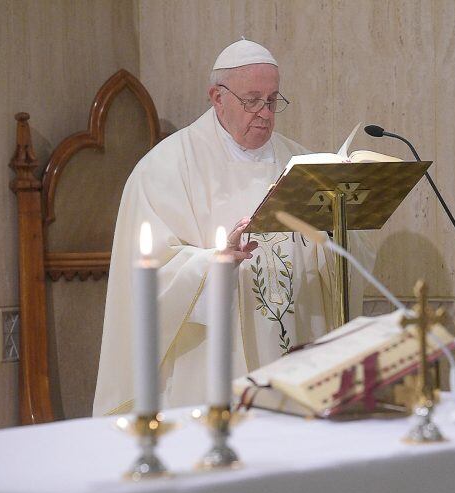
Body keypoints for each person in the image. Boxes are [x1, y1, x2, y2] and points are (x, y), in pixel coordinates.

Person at [93, 40, 371, 415]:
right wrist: (214, 264)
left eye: (272, 100)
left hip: (298, 364)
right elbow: (145, 276)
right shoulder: (166, 167)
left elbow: (342, 264)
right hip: (207, 371)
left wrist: (335, 234)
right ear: (217, 97)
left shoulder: (302, 163)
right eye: (251, 100)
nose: (265, 113)